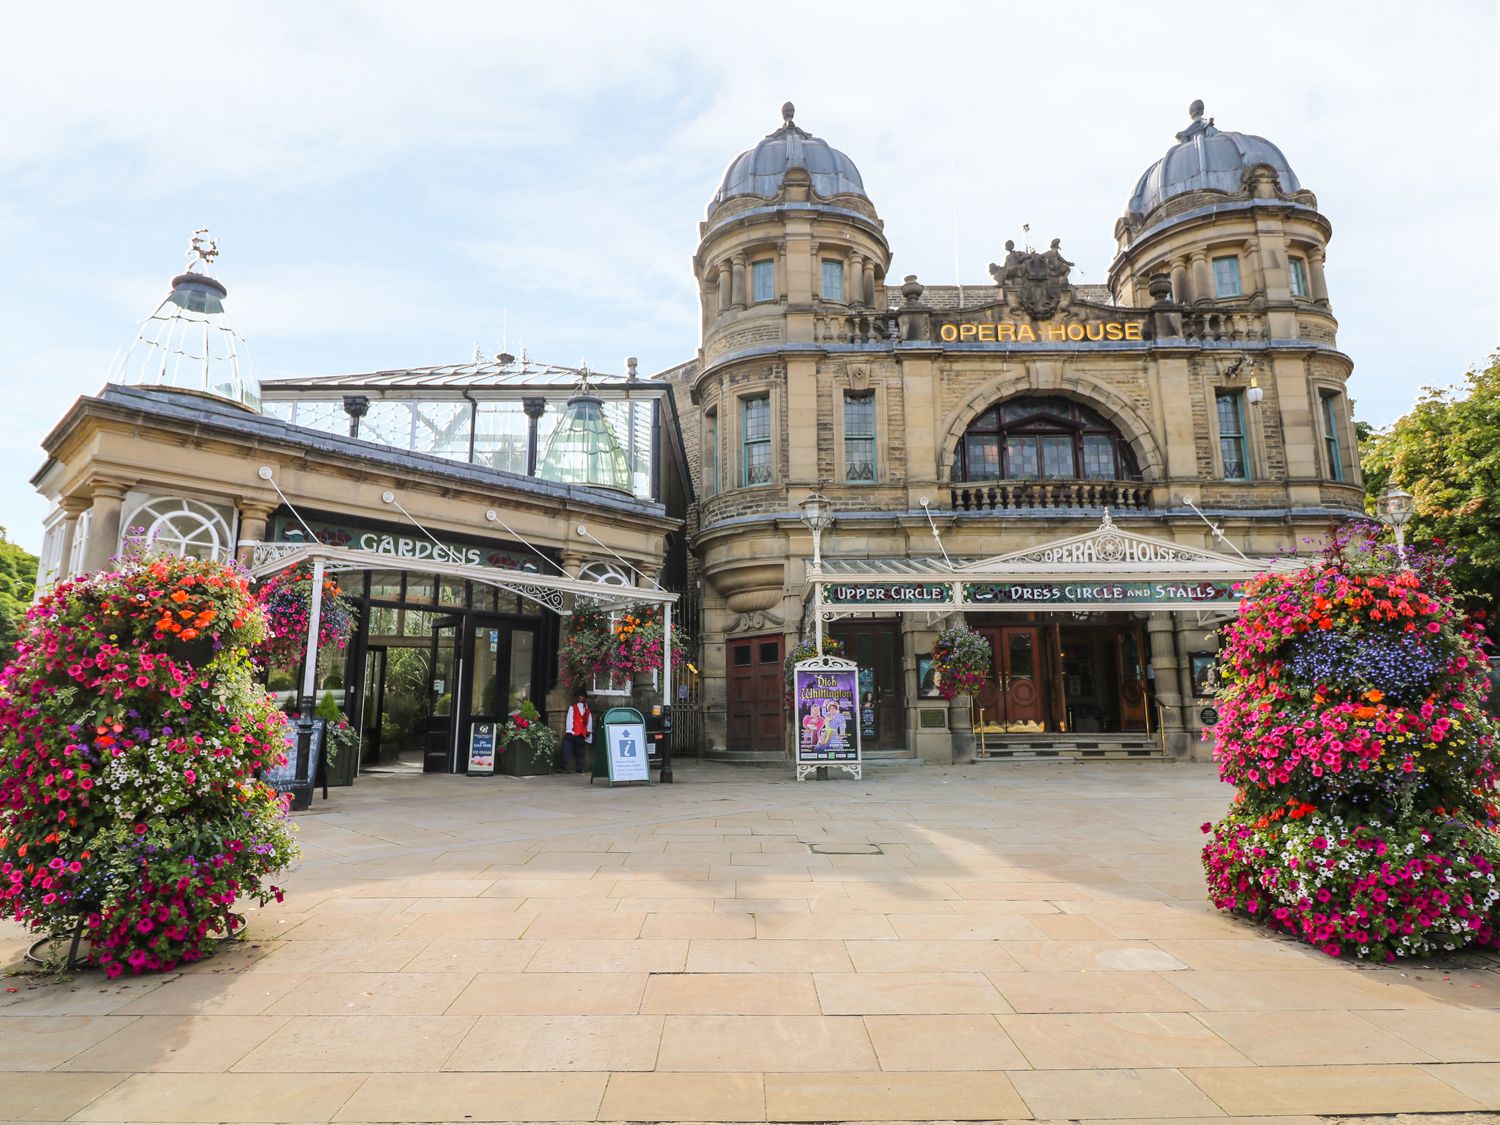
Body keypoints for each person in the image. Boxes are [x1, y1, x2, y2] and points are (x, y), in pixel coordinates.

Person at [561, 689, 593, 773]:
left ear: (585, 698)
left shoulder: (587, 711)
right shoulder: (573, 708)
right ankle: (564, 766)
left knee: (580, 751)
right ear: (577, 698)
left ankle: (580, 767)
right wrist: (569, 730)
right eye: (580, 697)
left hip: (581, 733)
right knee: (566, 748)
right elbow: (570, 719)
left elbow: (589, 721)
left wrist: (588, 731)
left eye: (583, 697)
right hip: (572, 732)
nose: (581, 698)